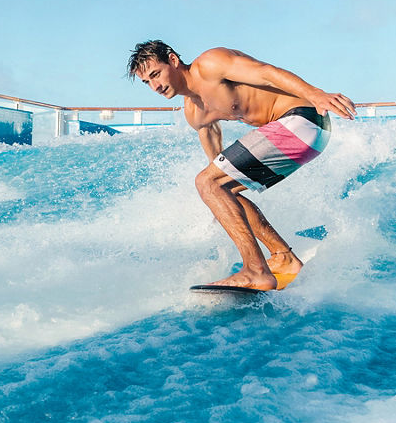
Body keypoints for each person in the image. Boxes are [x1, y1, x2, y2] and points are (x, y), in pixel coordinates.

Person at [127, 40, 356, 290]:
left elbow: (267, 73)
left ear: (173, 60)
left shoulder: (210, 64)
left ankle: (255, 271)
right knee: (222, 189)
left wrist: (316, 94)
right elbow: (218, 170)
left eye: (156, 74)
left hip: (304, 118)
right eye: (147, 82)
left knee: (208, 183)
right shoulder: (194, 113)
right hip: (303, 135)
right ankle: (283, 257)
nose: (155, 86)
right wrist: (219, 202)